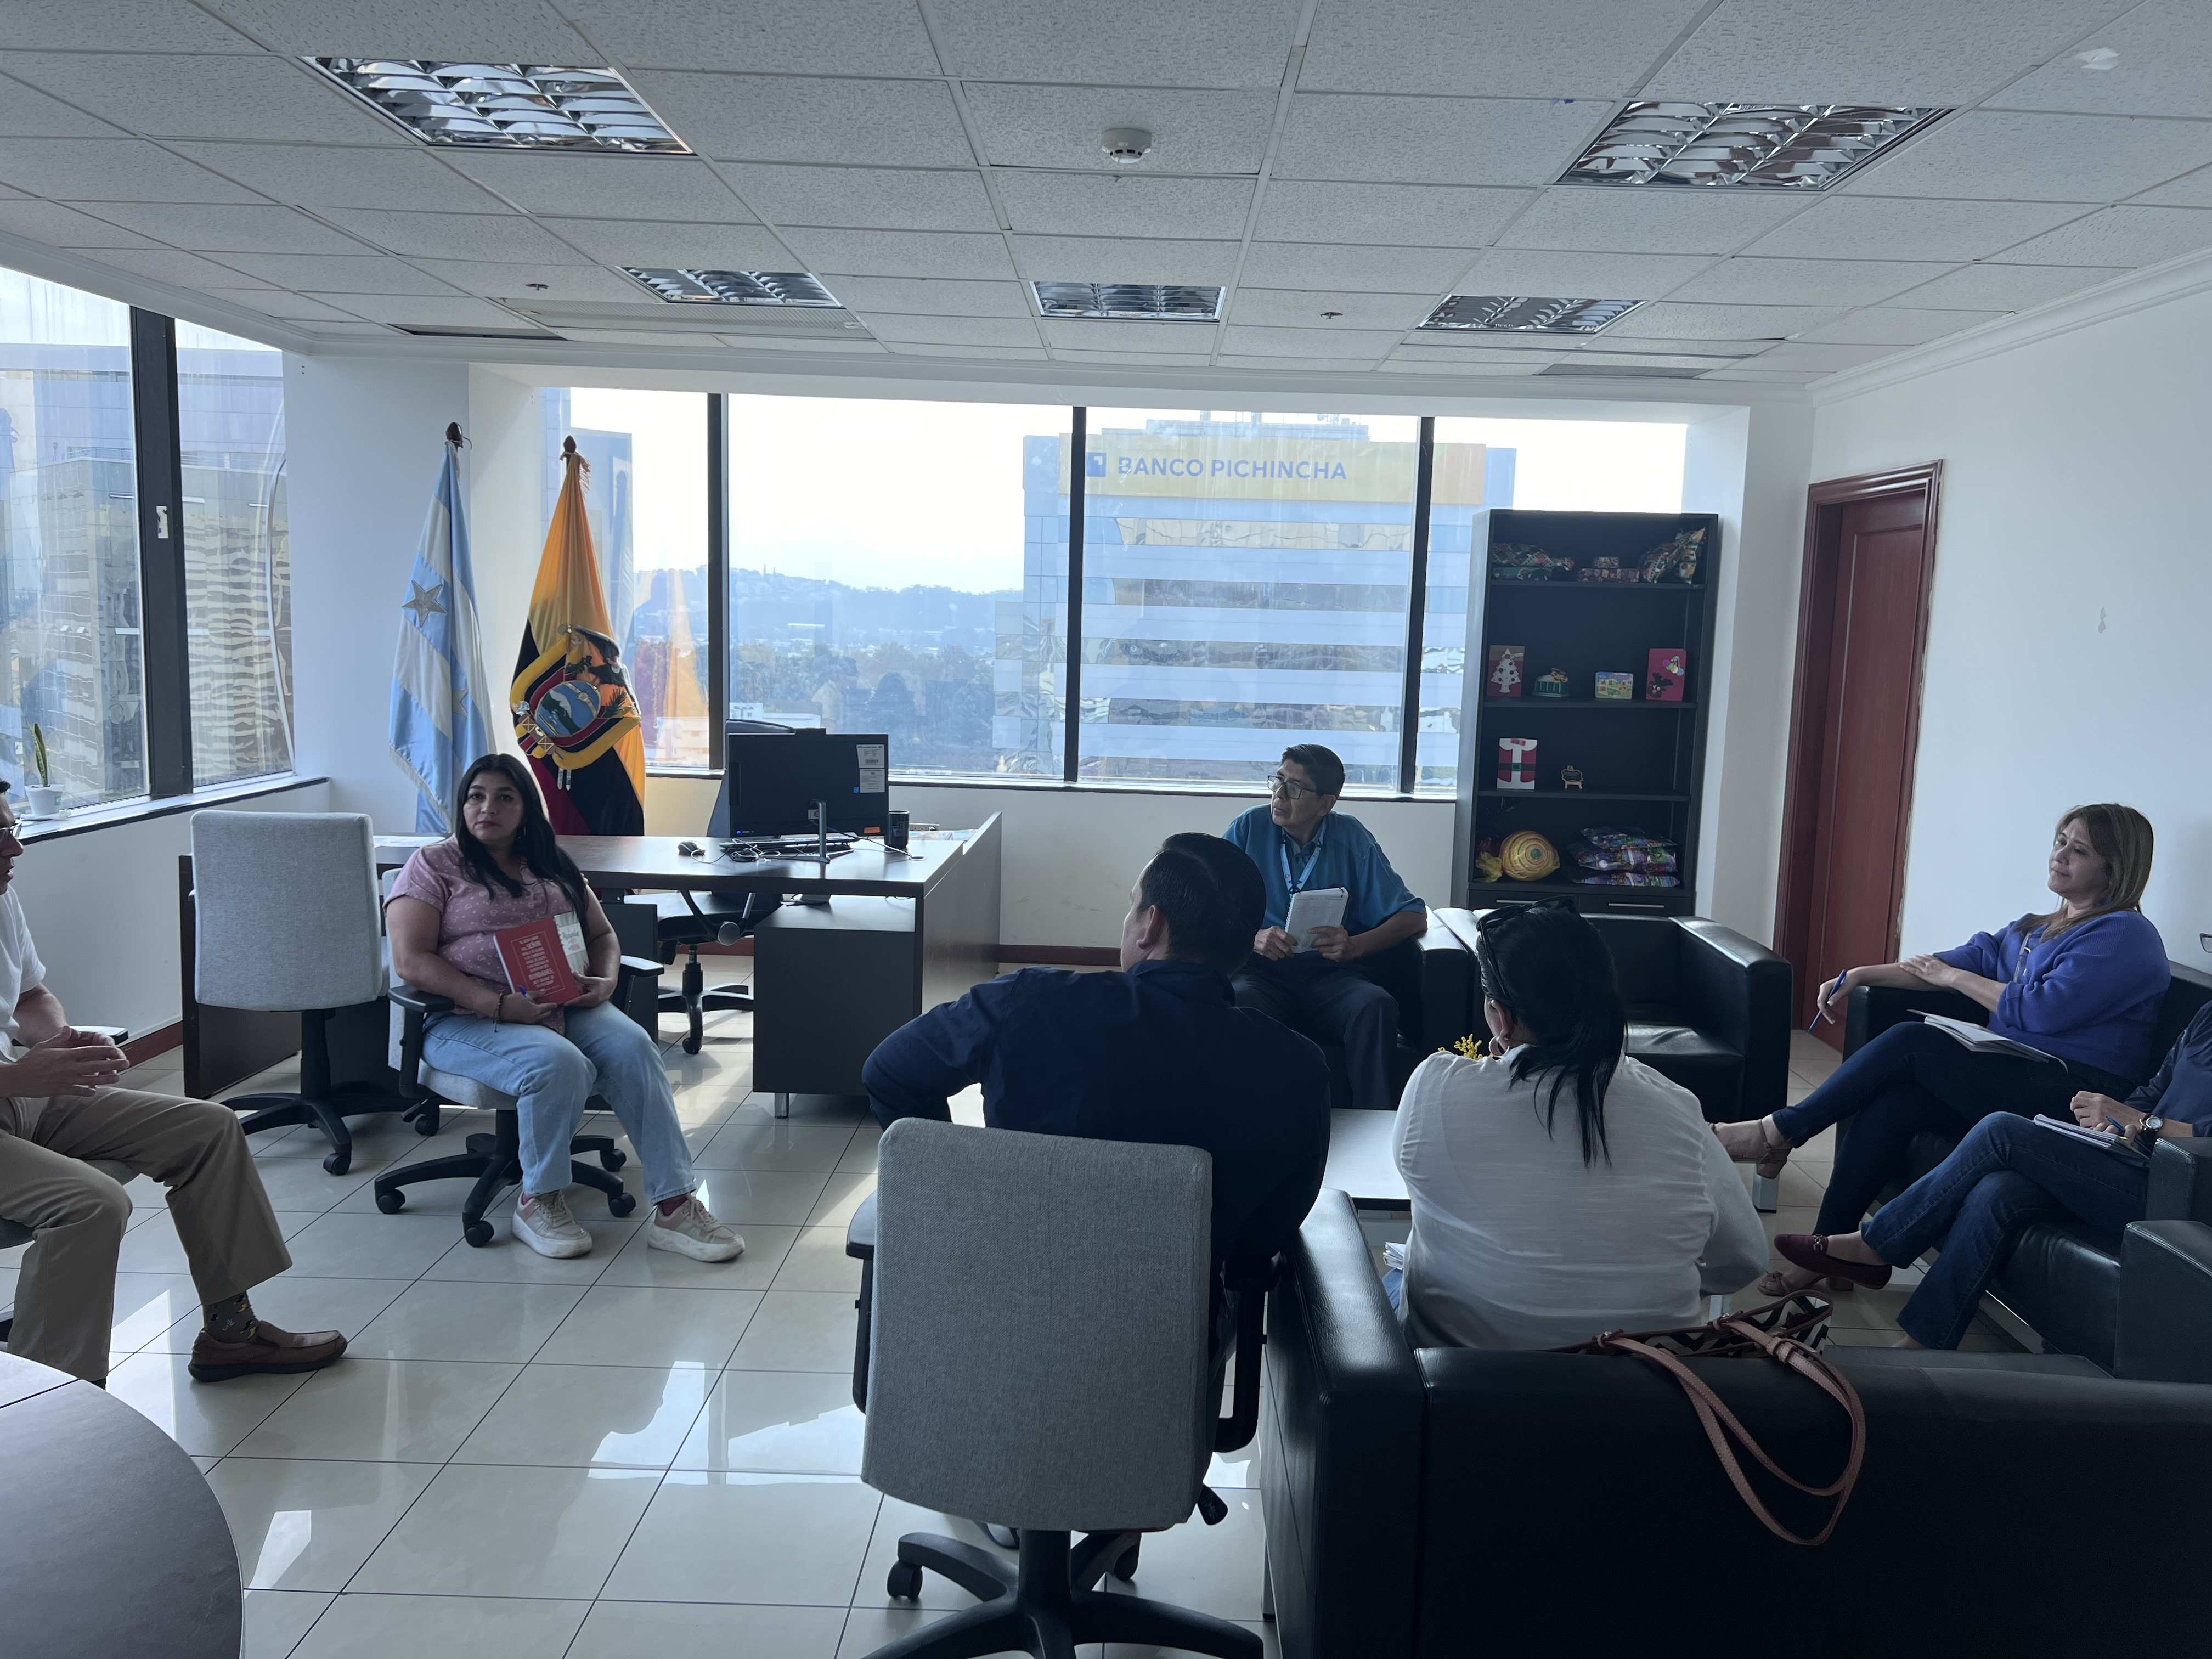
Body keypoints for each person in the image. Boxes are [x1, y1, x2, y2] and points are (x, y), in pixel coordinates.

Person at [1714, 804, 2166, 1287]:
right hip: (2022, 1073)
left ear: (2114, 869)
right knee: (1895, 1104)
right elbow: (1951, 963)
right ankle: (1830, 1253)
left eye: (2080, 851)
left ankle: (1777, 1133)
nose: (2060, 855)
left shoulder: (2124, 934)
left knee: (1911, 1041)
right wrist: (1862, 974)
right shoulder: (2035, 928)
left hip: (2079, 1096)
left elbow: (2041, 1011)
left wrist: (1955, 979)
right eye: (2060, 841)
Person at [0, 782, 347, 1386]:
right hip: (14, 1086)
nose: (16, 850)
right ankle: (53, 1407)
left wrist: (58, 1041)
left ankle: (232, 1335)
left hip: (20, 1095)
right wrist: (19, 1075)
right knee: (92, 1205)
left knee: (209, 1128)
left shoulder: (3, 896)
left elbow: (31, 995)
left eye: (12, 829)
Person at [863, 832, 1330, 1277]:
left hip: (991, 1297)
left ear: (1152, 924)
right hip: (1171, 1330)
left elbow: (889, 1073)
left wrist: (956, 1188)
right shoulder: (1299, 1068)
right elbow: (1264, 1240)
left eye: (1132, 905)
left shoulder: (1028, 1002)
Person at [385, 754, 742, 1263]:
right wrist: (497, 1004)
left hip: (564, 1004)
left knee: (636, 1048)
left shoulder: (549, 860)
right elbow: (411, 961)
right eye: (476, 797)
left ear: (526, 809)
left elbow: (602, 935)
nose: (488, 808)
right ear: (462, 805)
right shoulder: (435, 865)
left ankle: (675, 1205)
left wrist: (606, 980)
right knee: (558, 1063)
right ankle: (539, 1200)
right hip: (466, 1017)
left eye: (505, 798)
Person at [1390, 901, 1765, 1348]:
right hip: (1644, 1384)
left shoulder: (1435, 1087)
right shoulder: (1679, 1108)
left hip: (1456, 1384)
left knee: (1398, 1275)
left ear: (1502, 1018)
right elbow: (1745, 1260)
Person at [1771, 1001, 2212, 1347]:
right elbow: (2154, 1091)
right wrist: (2113, 1123)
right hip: (2133, 1159)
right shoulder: (2207, 1016)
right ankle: (1925, 1341)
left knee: (2002, 1131)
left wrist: (2142, 1122)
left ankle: (1876, 1245)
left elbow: (2174, 1127)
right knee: (2000, 1189)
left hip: (2185, 1190)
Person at [1222, 743, 1427, 1112]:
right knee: (1240, 1000)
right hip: (1260, 972)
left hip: (1329, 975)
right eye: (1278, 780)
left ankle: (1374, 1124)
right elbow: (1210, 907)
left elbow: (1413, 916)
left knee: (1375, 1005)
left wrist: (1356, 946)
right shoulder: (1249, 828)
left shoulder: (1350, 837)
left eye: (1295, 787)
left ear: (1325, 804)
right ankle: (1248, 1119)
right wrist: (1253, 938)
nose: (1279, 794)